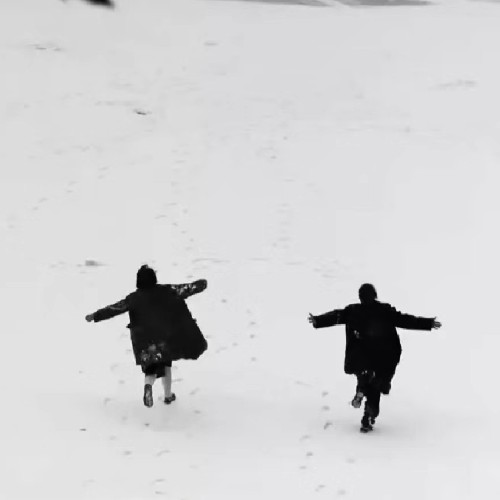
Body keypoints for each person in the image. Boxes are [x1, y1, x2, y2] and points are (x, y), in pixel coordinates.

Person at [308, 283, 441, 433]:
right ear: (375, 295)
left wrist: (318, 320)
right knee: (377, 386)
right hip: (382, 357)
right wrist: (428, 323)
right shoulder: (385, 310)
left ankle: (361, 390)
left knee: (364, 376)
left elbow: (336, 316)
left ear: (360, 297)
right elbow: (405, 320)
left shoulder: (352, 311)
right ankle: (369, 416)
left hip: (360, 357)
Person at [86, 265, 208, 408]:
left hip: (143, 341)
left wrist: (95, 315)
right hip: (164, 338)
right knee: (166, 364)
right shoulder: (166, 290)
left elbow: (114, 309)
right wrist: (201, 284)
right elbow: (186, 289)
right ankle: (168, 396)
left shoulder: (133, 298)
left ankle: (148, 386)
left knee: (150, 367)